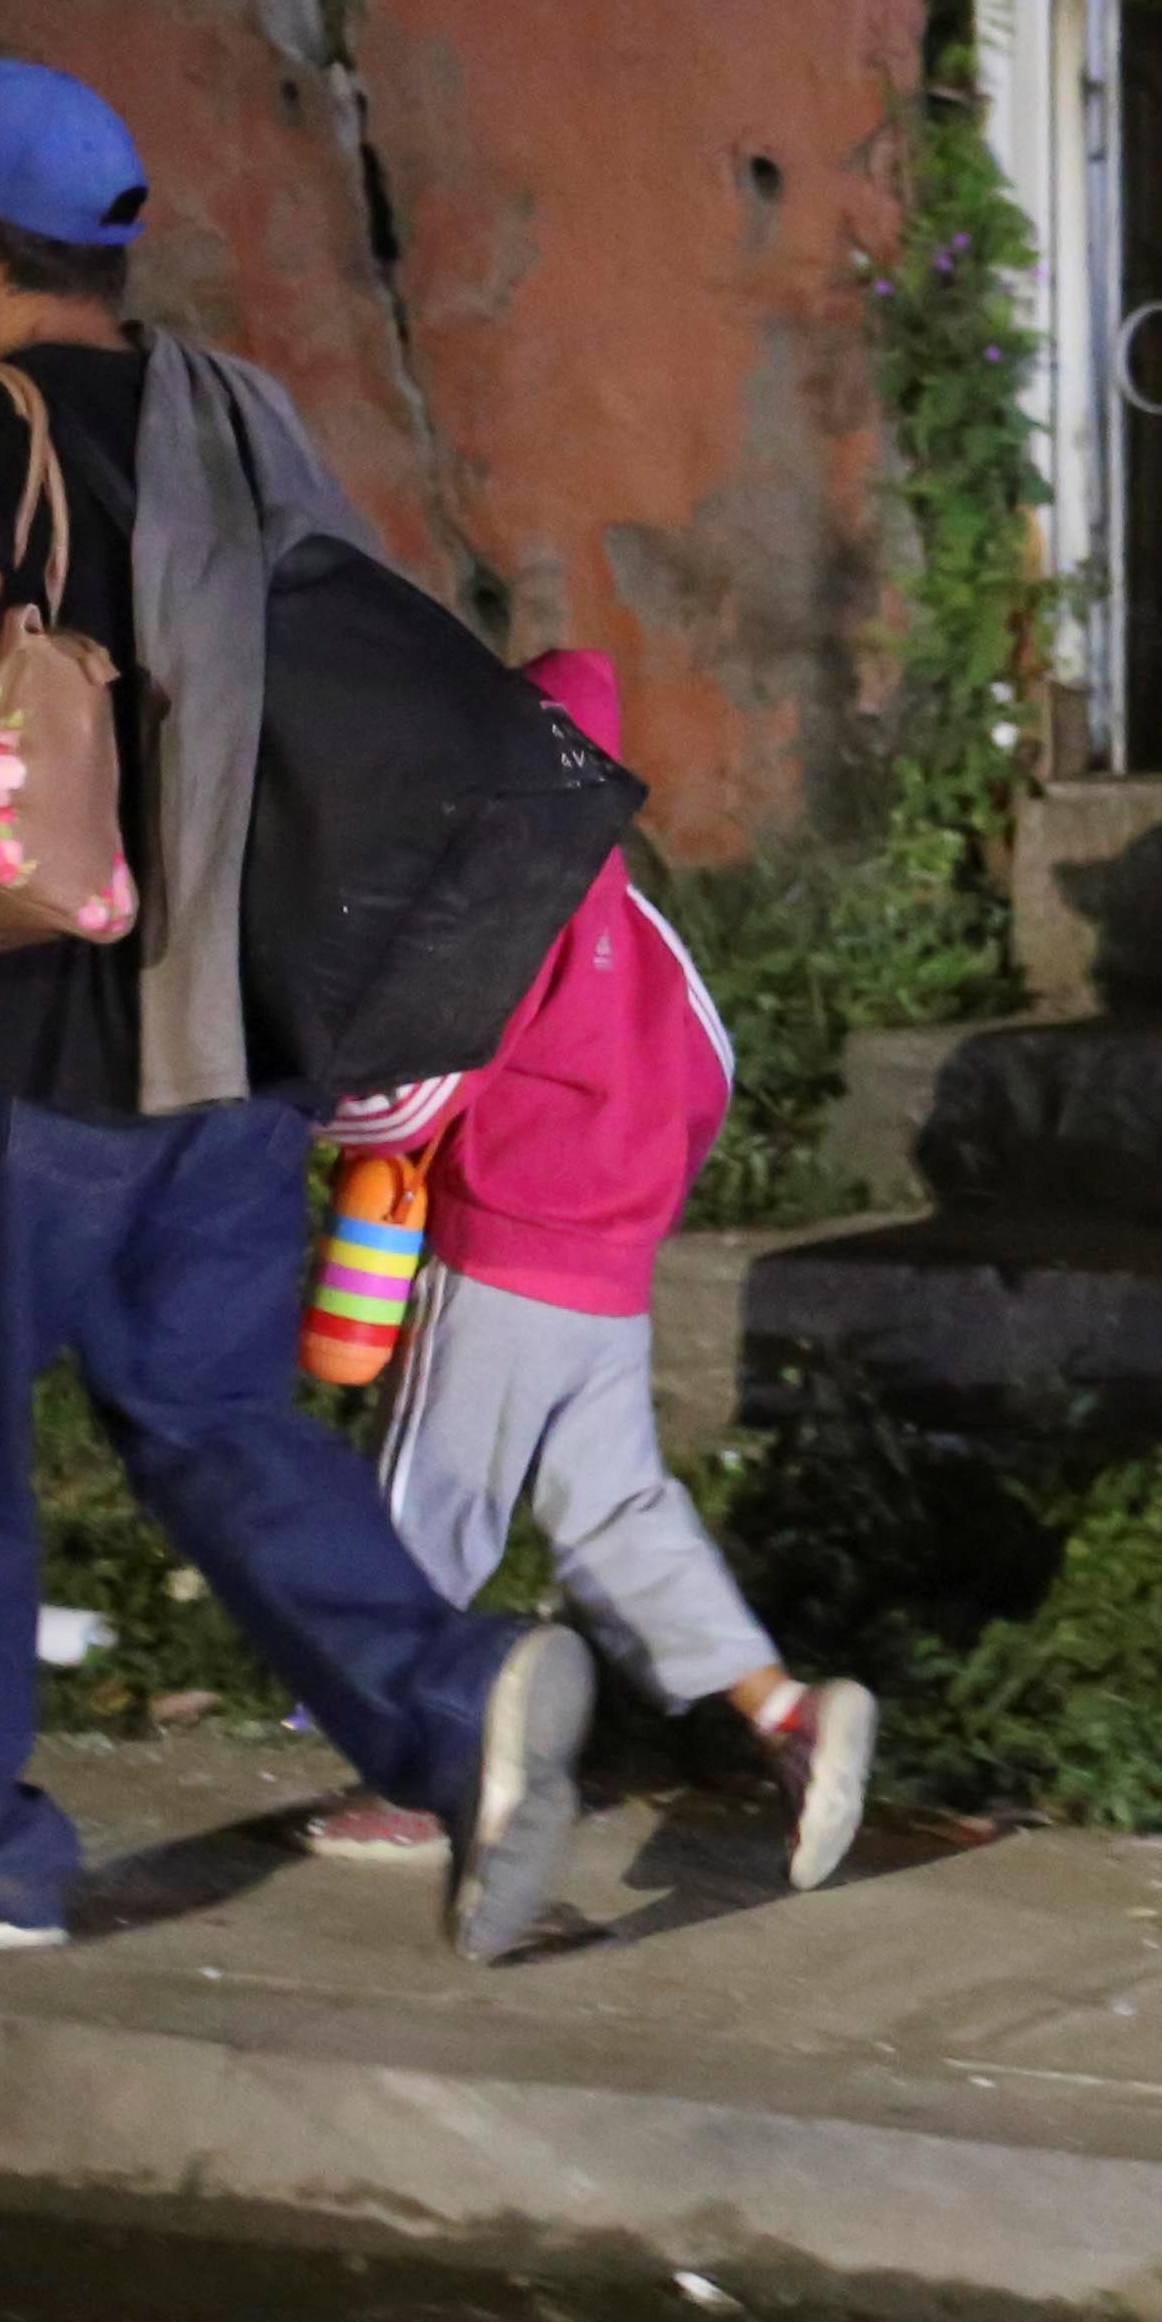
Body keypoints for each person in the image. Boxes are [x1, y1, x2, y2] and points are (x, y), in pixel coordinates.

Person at [0, 56, 598, 1968]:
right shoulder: (234, 407)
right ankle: (459, 1707)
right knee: (211, 1415)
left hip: (25, 1029)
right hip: (230, 1030)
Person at [301, 648, 881, 1888]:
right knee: (619, 1511)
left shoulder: (502, 900)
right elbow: (711, 1069)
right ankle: (787, 1713)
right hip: (611, 1267)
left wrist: (315, 1116)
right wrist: (631, 1201)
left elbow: (413, 1097)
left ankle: (419, 1772)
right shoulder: (634, 912)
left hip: (501, 1252)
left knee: (427, 1505)